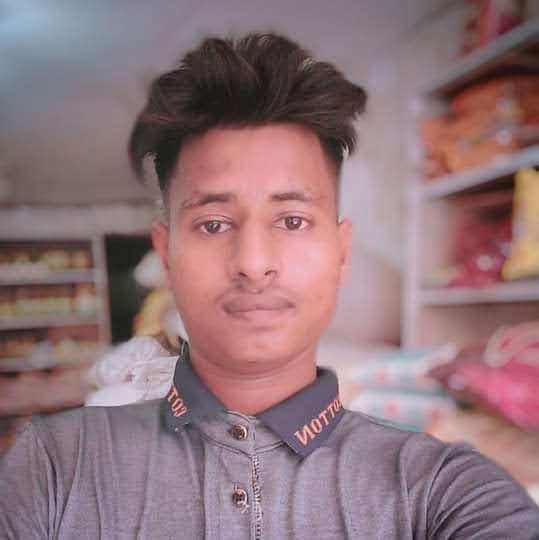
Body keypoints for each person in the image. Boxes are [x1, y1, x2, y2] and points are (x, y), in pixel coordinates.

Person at [1, 32, 538, 539]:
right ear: (166, 256)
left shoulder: (438, 487)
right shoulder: (54, 466)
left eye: (292, 220)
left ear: (341, 252)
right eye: (214, 224)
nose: (254, 265)